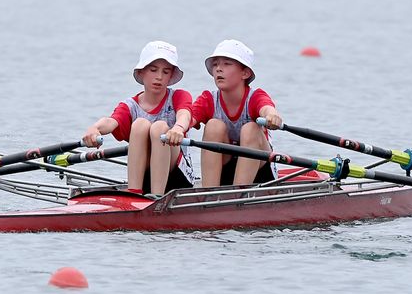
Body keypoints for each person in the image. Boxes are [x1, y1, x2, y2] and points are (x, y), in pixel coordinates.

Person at [82, 40, 195, 196]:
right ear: (141, 72)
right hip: (145, 176)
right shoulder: (130, 105)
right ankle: (134, 193)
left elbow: (184, 115)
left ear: (171, 76)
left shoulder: (179, 96)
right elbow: (110, 122)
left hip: (178, 176)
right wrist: (94, 129)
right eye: (153, 70)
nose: (159, 77)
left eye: (166, 72)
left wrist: (178, 128)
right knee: (140, 124)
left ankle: (157, 198)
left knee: (159, 127)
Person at [190, 39, 283, 187]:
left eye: (227, 64)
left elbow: (266, 108)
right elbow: (187, 118)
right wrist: (177, 128)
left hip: (260, 172)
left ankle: (238, 194)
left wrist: (272, 116)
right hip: (225, 170)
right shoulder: (208, 99)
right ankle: (209, 194)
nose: (219, 69)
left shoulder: (255, 97)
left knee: (250, 129)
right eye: (215, 65)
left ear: (245, 73)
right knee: (213, 126)